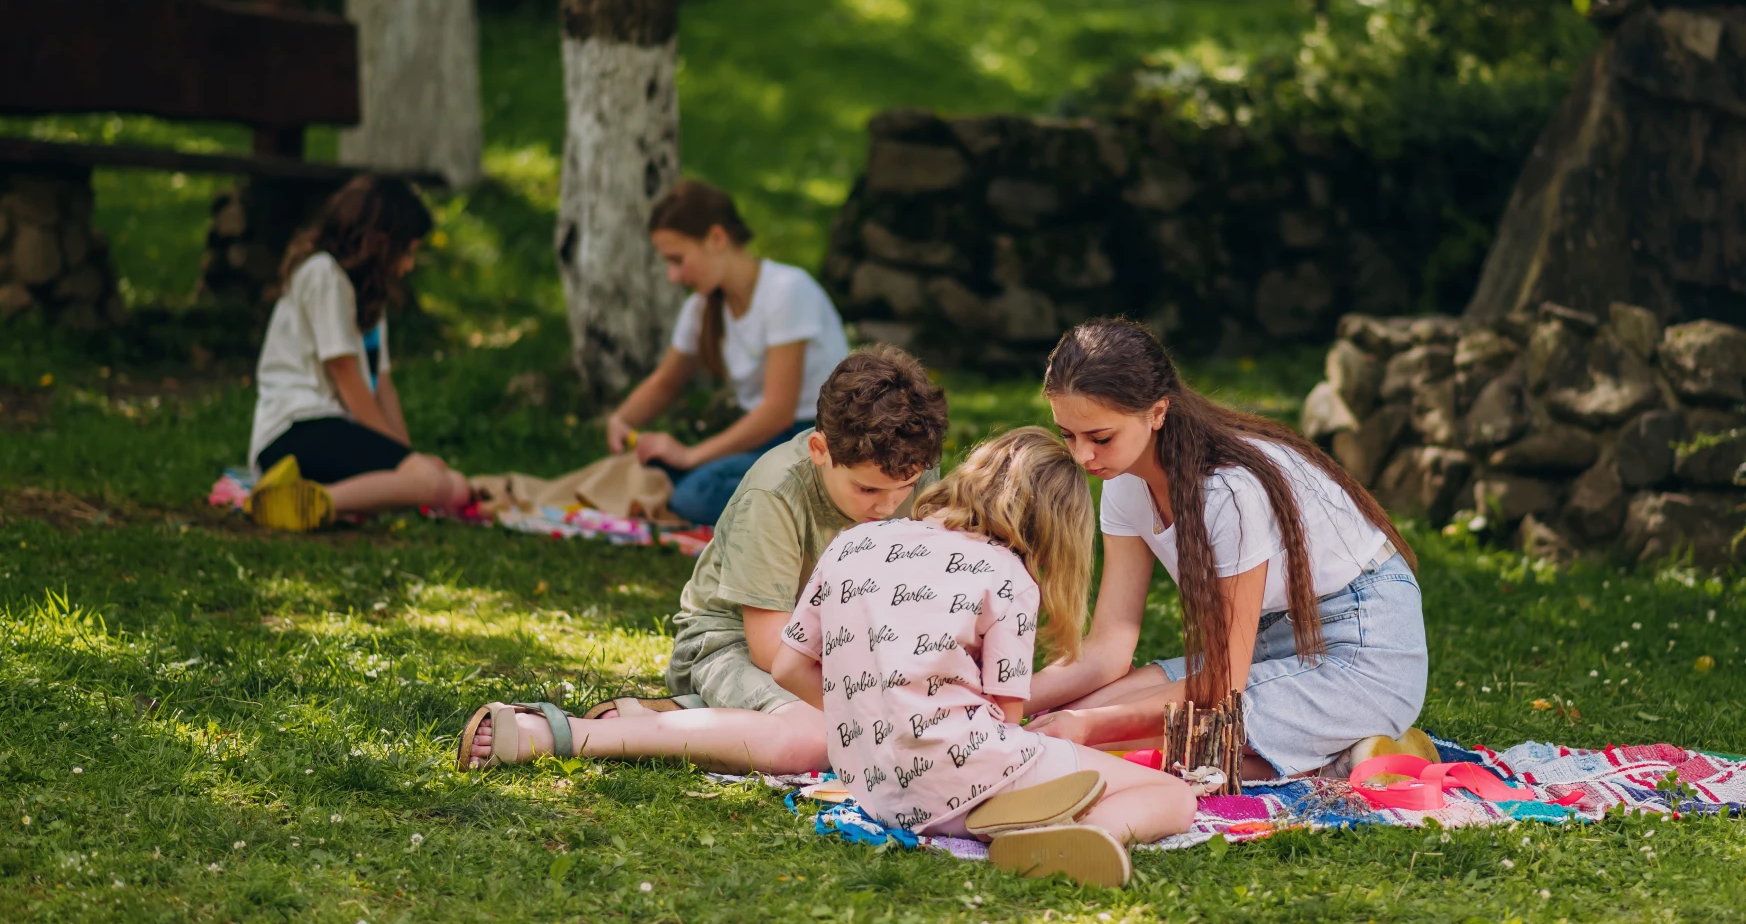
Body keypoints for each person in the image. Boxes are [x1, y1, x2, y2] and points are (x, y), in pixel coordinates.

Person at [457, 347, 950, 776]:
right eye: (868, 489)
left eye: (903, 488)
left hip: (840, 650)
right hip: (727, 645)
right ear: (820, 449)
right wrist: (869, 705)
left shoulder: (912, 465)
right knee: (816, 738)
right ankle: (562, 734)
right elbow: (770, 653)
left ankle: (672, 720)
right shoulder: (776, 492)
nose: (888, 506)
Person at [771, 428, 1197, 888]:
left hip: (877, 789)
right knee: (1173, 795)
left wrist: (875, 718)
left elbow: (788, 667)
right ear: (1056, 525)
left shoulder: (852, 543)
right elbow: (1008, 716)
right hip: (968, 779)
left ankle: (1019, 824)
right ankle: (1077, 838)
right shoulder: (1007, 575)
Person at [1028, 318, 1433, 780]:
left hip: (1364, 643)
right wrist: (1002, 698)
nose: (1082, 457)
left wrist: (1083, 728)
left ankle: (1349, 751)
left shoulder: (1229, 493)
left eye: (1100, 438)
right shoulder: (1124, 481)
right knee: (1068, 717)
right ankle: (1338, 744)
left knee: (1183, 750)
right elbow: (1107, 650)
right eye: (1068, 435)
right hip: (1270, 639)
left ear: (1157, 412)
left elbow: (1222, 686)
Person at [605, 181, 848, 526]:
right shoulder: (702, 308)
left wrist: (689, 455)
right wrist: (621, 421)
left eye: (678, 259)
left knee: (694, 495)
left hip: (817, 439)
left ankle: (817, 506)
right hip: (768, 441)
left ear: (717, 239)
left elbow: (777, 411)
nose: (673, 276)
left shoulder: (787, 290)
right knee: (658, 468)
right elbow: (665, 381)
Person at [244, 175, 469, 531]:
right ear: (380, 242)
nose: (409, 265)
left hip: (335, 427)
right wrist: (404, 462)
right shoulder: (323, 275)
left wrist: (405, 456)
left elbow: (382, 386)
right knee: (433, 483)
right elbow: (347, 376)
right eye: (407, 251)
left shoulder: (369, 298)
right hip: (297, 428)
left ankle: (306, 494)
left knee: (450, 484)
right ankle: (319, 503)